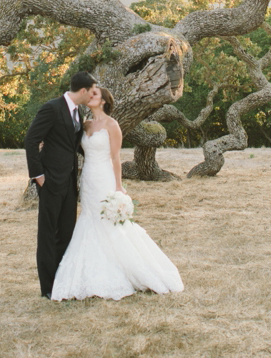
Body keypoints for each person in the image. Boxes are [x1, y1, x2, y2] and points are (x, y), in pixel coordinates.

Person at [50, 85, 184, 301]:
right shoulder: (85, 125)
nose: (90, 96)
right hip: (88, 180)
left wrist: (118, 187)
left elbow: (115, 158)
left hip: (104, 178)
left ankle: (132, 269)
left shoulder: (112, 125)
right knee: (89, 220)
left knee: (108, 223)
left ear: (103, 101)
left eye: (94, 95)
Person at [24, 71, 97, 298]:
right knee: (47, 234)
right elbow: (31, 139)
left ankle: (62, 282)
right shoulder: (52, 108)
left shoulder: (79, 112)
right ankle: (48, 288)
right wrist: (38, 175)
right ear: (83, 91)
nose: (93, 95)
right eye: (92, 91)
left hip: (69, 181)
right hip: (50, 181)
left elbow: (71, 144)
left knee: (66, 233)